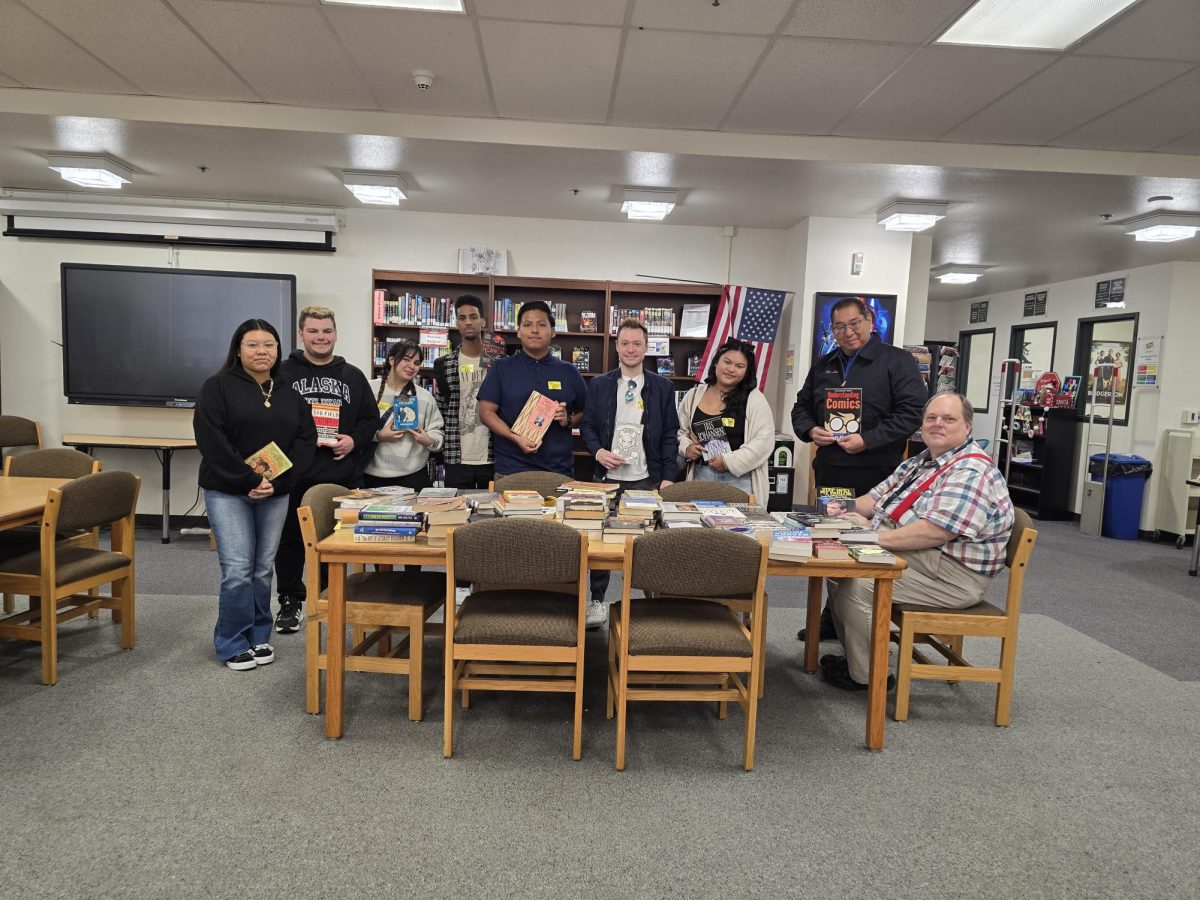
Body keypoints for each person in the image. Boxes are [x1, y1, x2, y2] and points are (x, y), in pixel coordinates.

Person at [820, 393, 1014, 690]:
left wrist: (871, 535)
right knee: (837, 565)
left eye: (949, 419)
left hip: (952, 574)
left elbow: (935, 531)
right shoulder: (922, 461)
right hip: (923, 556)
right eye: (931, 418)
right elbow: (874, 499)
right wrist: (836, 509)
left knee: (858, 582)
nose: (938, 424)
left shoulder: (969, 470)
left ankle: (870, 677)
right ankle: (859, 660)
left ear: (968, 427)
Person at [790, 298, 926, 641]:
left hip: (877, 472)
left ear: (870, 321)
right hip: (833, 469)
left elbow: (912, 413)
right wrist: (810, 431)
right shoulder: (825, 363)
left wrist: (868, 440)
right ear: (831, 330)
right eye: (839, 327)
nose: (847, 332)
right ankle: (833, 616)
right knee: (831, 542)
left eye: (854, 324)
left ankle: (864, 621)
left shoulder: (897, 361)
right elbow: (801, 408)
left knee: (868, 545)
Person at [193, 319, 316, 671]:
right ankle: (231, 641)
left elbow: (304, 442)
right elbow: (211, 439)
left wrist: (277, 484)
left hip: (274, 493)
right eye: (253, 344)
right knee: (236, 569)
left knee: (263, 570)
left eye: (269, 345)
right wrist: (248, 478)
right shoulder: (217, 387)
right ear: (238, 349)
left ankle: (259, 636)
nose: (262, 351)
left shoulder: (289, 392)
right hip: (228, 491)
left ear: (278, 351)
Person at [273, 306, 378, 634]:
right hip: (295, 476)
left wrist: (353, 440)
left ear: (336, 334)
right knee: (290, 541)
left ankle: (327, 596)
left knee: (338, 543)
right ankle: (291, 600)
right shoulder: (282, 374)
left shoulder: (353, 376)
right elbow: (269, 420)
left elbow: (370, 420)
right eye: (314, 331)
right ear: (301, 334)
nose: (321, 337)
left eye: (327, 331)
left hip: (341, 474)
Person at [580, 317, 679, 625]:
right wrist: (598, 451)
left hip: (646, 480)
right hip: (607, 478)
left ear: (646, 347)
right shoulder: (599, 385)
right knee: (600, 542)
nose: (631, 349)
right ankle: (597, 601)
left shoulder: (662, 387)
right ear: (617, 346)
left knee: (649, 545)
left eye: (637, 343)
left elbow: (669, 433)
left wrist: (667, 477)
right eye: (625, 343)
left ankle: (652, 603)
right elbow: (588, 426)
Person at [477, 300, 587, 478]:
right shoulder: (501, 368)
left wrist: (566, 419)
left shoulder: (569, 371)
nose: (534, 330)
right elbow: (486, 413)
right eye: (527, 325)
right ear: (519, 332)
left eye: (541, 325)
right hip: (511, 470)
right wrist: (516, 437)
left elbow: (583, 412)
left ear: (552, 331)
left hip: (558, 470)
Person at [677, 339, 774, 503]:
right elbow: (680, 432)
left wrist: (729, 462)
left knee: (738, 529)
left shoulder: (755, 399)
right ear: (716, 362)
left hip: (741, 480)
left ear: (747, 371)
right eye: (727, 362)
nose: (731, 369)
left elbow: (764, 442)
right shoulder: (693, 395)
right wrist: (687, 447)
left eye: (739, 366)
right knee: (702, 528)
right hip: (702, 476)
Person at [432, 295, 495, 490]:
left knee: (492, 514)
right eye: (462, 317)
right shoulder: (443, 364)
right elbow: (441, 407)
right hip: (456, 455)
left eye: (473, 316)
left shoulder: (499, 363)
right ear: (456, 323)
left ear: (483, 321)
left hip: (493, 454)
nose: (468, 322)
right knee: (457, 512)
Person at [366, 339, 445, 490]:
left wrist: (427, 440)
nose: (411, 366)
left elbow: (438, 435)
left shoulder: (425, 397)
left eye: (416, 363)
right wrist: (379, 436)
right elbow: (356, 429)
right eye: (406, 360)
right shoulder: (369, 389)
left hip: (413, 478)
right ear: (391, 359)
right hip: (371, 478)